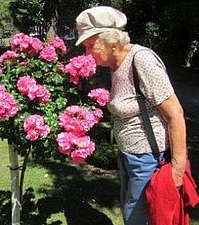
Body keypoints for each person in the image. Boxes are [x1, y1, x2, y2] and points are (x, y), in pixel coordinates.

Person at [75, 6, 187, 225]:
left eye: (90, 46)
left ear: (112, 41)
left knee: (138, 218)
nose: (86, 54)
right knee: (132, 213)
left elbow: (176, 114)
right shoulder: (115, 64)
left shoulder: (141, 60)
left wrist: (177, 170)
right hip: (128, 155)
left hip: (148, 158)